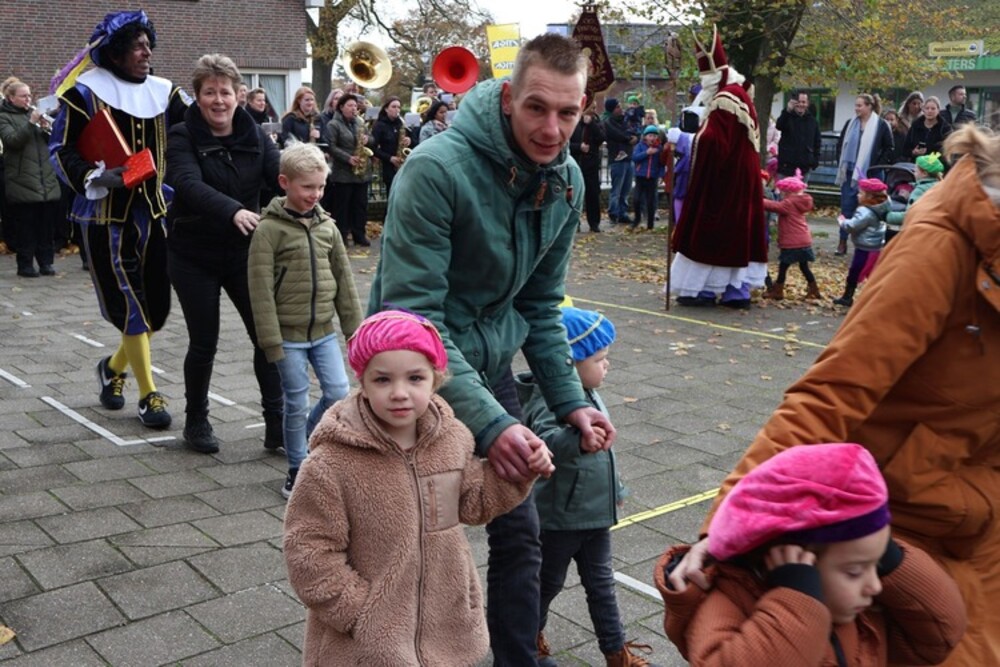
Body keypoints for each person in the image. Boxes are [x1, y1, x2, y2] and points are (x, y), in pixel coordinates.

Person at [665, 122, 1000, 666]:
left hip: (979, 524)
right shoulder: (941, 246)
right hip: (900, 526)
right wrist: (726, 530)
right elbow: (828, 395)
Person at [367, 33, 616, 666]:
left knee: (521, 533)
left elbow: (540, 305)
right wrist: (494, 424)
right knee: (412, 539)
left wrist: (571, 401)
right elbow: (414, 319)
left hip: (488, 362)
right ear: (507, 98)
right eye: (537, 108)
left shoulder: (566, 182)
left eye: (567, 112)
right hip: (407, 374)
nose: (552, 129)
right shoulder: (435, 171)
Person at [283, 309, 554, 665]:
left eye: (415, 378)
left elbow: (474, 501)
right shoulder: (331, 463)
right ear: (362, 380)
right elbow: (308, 550)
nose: (400, 393)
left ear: (436, 378)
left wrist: (519, 471)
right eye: (383, 379)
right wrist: (359, 613)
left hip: (444, 632)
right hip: (363, 649)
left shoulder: (452, 440)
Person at [655, 443, 966, 666]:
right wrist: (797, 603)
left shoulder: (857, 609)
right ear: (787, 560)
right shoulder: (726, 602)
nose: (875, 585)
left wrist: (891, 560)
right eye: (855, 570)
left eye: (877, 565)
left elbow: (939, 639)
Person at [50, 10, 190, 428]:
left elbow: (194, 133)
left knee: (156, 311)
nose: (147, 52)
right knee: (130, 305)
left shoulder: (167, 93)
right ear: (114, 52)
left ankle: (112, 368)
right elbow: (60, 149)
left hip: (154, 214)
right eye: (137, 46)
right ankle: (149, 395)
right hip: (106, 217)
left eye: (149, 44)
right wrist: (95, 176)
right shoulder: (85, 93)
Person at [518, 307, 659, 667]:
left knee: (601, 586)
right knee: (547, 584)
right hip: (560, 519)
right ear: (568, 364)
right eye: (599, 359)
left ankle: (616, 653)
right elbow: (543, 441)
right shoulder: (549, 400)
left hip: (595, 515)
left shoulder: (589, 394)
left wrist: (617, 490)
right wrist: (576, 441)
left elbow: (605, 457)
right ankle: (527, 640)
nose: (606, 364)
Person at [164, 53, 283, 454]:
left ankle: (277, 424)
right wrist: (233, 210)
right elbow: (186, 183)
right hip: (193, 254)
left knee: (267, 339)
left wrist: (309, 191)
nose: (218, 100)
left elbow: (281, 177)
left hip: (244, 253)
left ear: (238, 95)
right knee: (204, 342)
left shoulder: (256, 136)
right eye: (210, 92)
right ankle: (196, 420)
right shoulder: (182, 135)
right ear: (198, 97)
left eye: (225, 92)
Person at [248, 142, 362, 498]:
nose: (316, 194)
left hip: (324, 332)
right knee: (295, 401)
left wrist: (355, 331)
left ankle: (310, 436)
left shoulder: (328, 227)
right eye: (308, 187)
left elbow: (345, 281)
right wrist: (271, 341)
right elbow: (260, 290)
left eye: (321, 186)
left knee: (338, 392)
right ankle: (298, 466)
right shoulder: (268, 230)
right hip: (288, 336)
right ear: (285, 183)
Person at [669, 26, 767, 310]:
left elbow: (714, 143)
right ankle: (735, 290)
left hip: (724, 183)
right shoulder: (740, 94)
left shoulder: (725, 98)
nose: (704, 84)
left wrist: (684, 139)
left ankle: (704, 290)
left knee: (711, 232)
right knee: (735, 233)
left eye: (706, 77)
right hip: (738, 178)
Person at [0, 79, 61, 277]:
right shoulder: (4, 117)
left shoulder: (33, 114)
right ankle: (25, 265)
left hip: (45, 179)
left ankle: (46, 263)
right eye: (23, 96)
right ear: (11, 98)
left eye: (29, 95)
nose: (28, 99)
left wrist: (46, 128)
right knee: (26, 227)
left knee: (46, 226)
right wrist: (31, 123)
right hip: (23, 181)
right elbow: (12, 141)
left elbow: (52, 144)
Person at [833, 94, 894, 256]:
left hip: (872, 175)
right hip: (850, 174)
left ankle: (871, 244)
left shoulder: (881, 125)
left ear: (869, 106)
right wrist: (841, 161)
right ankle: (842, 242)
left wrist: (875, 164)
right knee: (847, 207)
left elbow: (889, 148)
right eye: (856, 105)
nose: (856, 108)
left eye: (860, 105)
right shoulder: (850, 123)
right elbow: (841, 145)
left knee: (872, 209)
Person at [761, 169, 819, 301]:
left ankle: (777, 291)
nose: (780, 193)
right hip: (804, 240)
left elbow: (774, 206)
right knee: (804, 267)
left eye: (782, 191)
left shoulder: (789, 203)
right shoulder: (800, 202)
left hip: (792, 243)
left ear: (787, 191)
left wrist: (758, 200)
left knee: (783, 267)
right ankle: (814, 289)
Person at [326, 92, 374, 247]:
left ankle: (359, 234)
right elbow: (332, 147)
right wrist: (348, 158)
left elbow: (372, 139)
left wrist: (368, 139)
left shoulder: (360, 123)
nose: (354, 108)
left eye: (355, 105)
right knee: (343, 207)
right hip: (343, 173)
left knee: (360, 205)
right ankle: (341, 236)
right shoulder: (333, 125)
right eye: (350, 105)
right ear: (341, 107)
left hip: (361, 172)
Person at [833, 177, 889, 307]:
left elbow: (852, 226)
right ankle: (875, 298)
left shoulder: (865, 211)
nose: (857, 195)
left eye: (861, 193)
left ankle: (848, 297)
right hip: (876, 245)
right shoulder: (883, 205)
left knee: (856, 272)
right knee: (872, 272)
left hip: (865, 247)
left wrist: (842, 221)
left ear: (869, 196)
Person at [883, 151, 944, 243]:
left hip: (917, 232)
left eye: (915, 171)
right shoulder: (938, 185)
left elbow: (909, 216)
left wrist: (886, 216)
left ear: (924, 174)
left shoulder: (920, 190)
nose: (914, 173)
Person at [570, 106, 606, 232]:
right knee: (574, 195)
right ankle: (575, 222)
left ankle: (594, 223)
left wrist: (591, 124)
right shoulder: (573, 123)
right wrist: (578, 147)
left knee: (592, 195)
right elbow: (565, 144)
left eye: (594, 108)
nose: (592, 110)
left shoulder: (597, 123)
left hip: (591, 165)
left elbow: (601, 138)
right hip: (576, 164)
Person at [603, 97, 637, 225]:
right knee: (616, 189)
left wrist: (635, 137)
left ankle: (623, 212)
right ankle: (613, 212)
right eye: (617, 107)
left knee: (626, 189)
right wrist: (629, 138)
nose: (620, 108)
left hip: (629, 157)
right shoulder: (608, 123)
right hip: (617, 159)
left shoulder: (626, 120)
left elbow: (635, 130)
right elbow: (618, 134)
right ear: (612, 109)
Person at [775, 90, 821, 180]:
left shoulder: (812, 122)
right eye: (798, 102)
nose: (801, 105)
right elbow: (779, 126)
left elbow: (817, 142)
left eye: (803, 102)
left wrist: (814, 161)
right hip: (786, 167)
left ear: (807, 103)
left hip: (804, 168)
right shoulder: (787, 117)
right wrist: (787, 110)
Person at [371, 96, 410, 201]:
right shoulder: (379, 125)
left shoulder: (401, 124)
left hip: (403, 164)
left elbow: (413, 141)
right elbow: (373, 148)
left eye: (398, 107)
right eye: (393, 106)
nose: (397, 109)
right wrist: (390, 158)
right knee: (393, 197)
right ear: (386, 109)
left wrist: (409, 140)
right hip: (389, 166)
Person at [631, 125, 665, 230]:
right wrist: (646, 153)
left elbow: (661, 164)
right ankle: (637, 219)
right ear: (645, 137)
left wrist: (661, 175)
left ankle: (650, 224)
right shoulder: (640, 146)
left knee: (651, 202)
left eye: (654, 136)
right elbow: (635, 158)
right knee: (636, 199)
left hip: (652, 178)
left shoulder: (659, 148)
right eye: (650, 135)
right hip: (640, 177)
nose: (652, 138)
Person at [903, 95, 952, 160]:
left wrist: (929, 156)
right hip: (916, 163)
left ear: (938, 110)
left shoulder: (945, 128)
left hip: (937, 163)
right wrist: (913, 152)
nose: (929, 111)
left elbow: (947, 150)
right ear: (923, 110)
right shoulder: (915, 126)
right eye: (927, 108)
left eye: (933, 109)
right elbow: (905, 149)